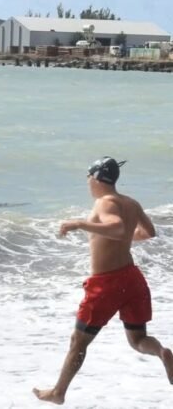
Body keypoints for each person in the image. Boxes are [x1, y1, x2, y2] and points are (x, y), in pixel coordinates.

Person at [34, 157, 173, 405]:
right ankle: (161, 352)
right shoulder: (131, 203)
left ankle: (58, 392)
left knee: (78, 342)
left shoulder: (105, 202)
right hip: (132, 279)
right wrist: (124, 240)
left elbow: (117, 227)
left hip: (107, 284)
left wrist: (78, 223)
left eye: (88, 178)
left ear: (96, 178)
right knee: (138, 339)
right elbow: (148, 232)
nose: (87, 183)